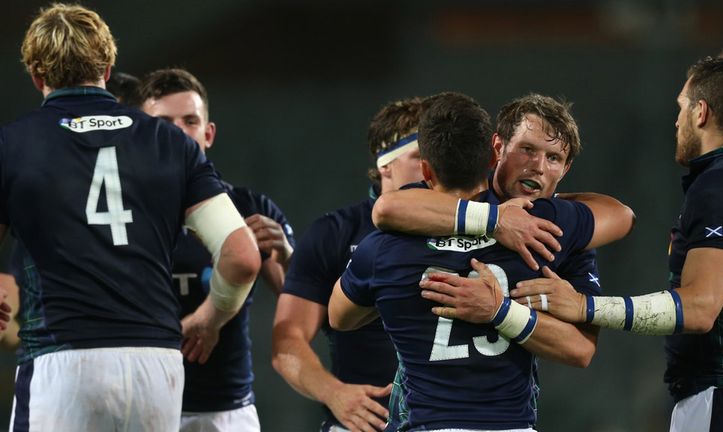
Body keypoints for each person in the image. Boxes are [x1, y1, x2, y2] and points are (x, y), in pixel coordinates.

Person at [442, 50, 723, 432]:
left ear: (700, 113)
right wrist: (492, 217)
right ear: (498, 148)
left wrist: (582, 305)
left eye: (681, 107)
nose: (676, 119)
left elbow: (698, 307)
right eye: (527, 149)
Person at [1, 5, 261, 431]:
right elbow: (242, 257)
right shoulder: (171, 143)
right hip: (156, 367)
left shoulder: (13, 144)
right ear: (107, 66)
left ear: (36, 74)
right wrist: (207, 318)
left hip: (63, 360)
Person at [328, 92, 609, 431]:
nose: (537, 165)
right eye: (528, 150)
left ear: (426, 169)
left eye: (552, 157)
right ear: (495, 154)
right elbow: (622, 217)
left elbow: (339, 317)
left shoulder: (383, 247)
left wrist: (394, 294)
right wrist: (501, 312)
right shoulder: (547, 232)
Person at [140, 67, 295, 431]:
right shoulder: (120, 214)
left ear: (208, 134)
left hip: (225, 409)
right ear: (141, 135)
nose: (178, 132)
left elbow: (303, 306)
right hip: (141, 402)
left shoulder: (249, 208)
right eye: (163, 122)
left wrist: (287, 253)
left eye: (190, 121)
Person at [272, 97, 426, 432]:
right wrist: (334, 393)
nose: (432, 168)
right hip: (364, 423)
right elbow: (287, 342)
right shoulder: (336, 233)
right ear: (385, 164)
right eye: (420, 157)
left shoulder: (475, 224)